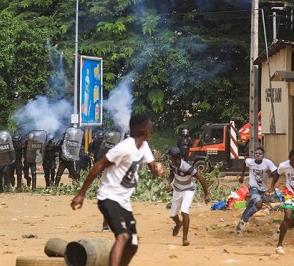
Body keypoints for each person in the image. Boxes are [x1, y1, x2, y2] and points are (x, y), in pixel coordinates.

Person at [71, 113, 165, 266]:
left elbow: (152, 166)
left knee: (132, 245)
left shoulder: (144, 146)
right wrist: (81, 194)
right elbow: (99, 165)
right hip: (109, 197)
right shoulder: (124, 147)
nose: (151, 127)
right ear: (141, 128)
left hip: (124, 202)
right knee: (122, 237)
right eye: (148, 124)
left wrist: (158, 170)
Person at [165, 147, 210, 246]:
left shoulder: (186, 167)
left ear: (175, 158)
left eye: (170, 157)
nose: (169, 158)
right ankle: (178, 223)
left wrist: (206, 194)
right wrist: (168, 183)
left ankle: (185, 238)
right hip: (177, 190)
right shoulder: (172, 164)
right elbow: (172, 175)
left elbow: (200, 178)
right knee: (173, 215)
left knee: (184, 211)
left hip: (188, 190)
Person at [236, 147, 277, 236]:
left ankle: (239, 226)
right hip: (253, 187)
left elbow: (276, 173)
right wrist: (242, 176)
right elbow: (244, 163)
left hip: (263, 189)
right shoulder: (250, 162)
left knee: (250, 206)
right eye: (256, 153)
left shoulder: (267, 163)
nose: (258, 155)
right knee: (258, 204)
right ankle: (245, 220)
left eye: (260, 154)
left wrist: (272, 185)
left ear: (263, 155)